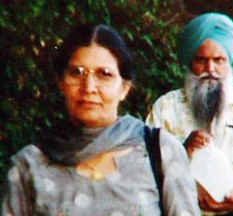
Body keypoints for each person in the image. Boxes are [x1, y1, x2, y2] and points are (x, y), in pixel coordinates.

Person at [1, 24, 201, 216]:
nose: (88, 87)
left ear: (124, 88)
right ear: (61, 82)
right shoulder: (28, 166)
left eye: (104, 74)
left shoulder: (159, 151)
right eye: (76, 73)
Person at [146, 12, 233, 215]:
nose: (210, 68)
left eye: (219, 60)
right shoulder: (166, 107)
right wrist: (182, 151)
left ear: (229, 62)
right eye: (201, 60)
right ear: (190, 62)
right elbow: (146, 167)